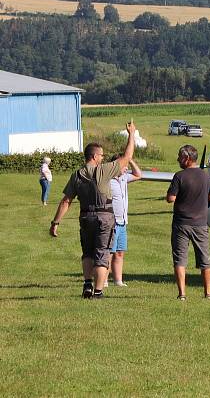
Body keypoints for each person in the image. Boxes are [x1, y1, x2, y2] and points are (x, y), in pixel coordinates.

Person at [50, 121, 136, 299]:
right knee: (102, 252)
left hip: (85, 217)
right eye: (102, 155)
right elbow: (127, 156)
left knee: (88, 252)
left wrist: (55, 222)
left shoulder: (77, 174)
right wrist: (131, 134)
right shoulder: (103, 170)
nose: (103, 158)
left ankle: (87, 284)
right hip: (104, 217)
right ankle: (98, 291)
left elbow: (66, 200)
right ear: (95, 156)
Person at [166, 145, 210, 300]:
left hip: (181, 223)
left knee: (180, 259)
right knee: (205, 260)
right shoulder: (206, 176)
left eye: (180, 157)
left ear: (187, 159)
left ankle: (182, 294)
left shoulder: (179, 176)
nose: (178, 159)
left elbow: (171, 198)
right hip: (200, 224)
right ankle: (207, 292)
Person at [107, 156, 142, 287]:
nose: (126, 168)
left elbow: (139, 174)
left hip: (122, 221)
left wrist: (130, 160)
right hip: (112, 221)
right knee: (109, 252)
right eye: (124, 165)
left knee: (120, 252)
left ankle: (118, 281)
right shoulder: (108, 180)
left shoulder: (124, 178)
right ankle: (103, 280)